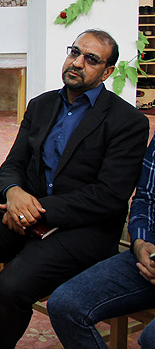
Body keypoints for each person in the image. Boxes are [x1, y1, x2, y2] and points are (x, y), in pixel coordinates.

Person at [0, 29, 149, 349]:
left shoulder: (127, 121)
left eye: (91, 59)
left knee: (10, 288)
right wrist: (13, 192)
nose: (77, 62)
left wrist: (35, 209)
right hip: (23, 209)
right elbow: (13, 164)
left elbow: (109, 195)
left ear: (107, 72)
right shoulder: (41, 105)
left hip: (82, 229)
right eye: (74, 52)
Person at [48, 133, 155, 348]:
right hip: (149, 258)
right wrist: (141, 242)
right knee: (65, 305)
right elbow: (145, 198)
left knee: (150, 339)